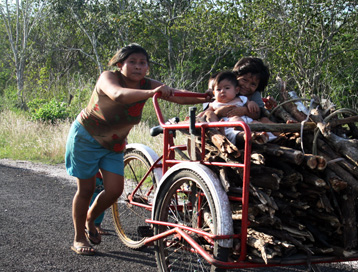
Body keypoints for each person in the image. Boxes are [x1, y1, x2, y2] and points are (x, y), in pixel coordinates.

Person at [65, 43, 209, 255]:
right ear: (121, 64)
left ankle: (90, 218)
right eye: (132, 62)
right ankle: (78, 237)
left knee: (114, 190)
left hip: (114, 143)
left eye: (142, 63)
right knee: (85, 190)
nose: (137, 66)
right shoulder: (108, 77)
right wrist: (152, 92)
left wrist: (206, 97)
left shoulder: (147, 84)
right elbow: (118, 95)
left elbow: (177, 95)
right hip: (87, 138)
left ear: (147, 68)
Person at [203, 71, 274, 144]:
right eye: (218, 89)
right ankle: (251, 135)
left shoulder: (241, 98)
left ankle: (269, 136)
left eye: (227, 88)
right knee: (236, 119)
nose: (222, 91)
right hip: (229, 125)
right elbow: (206, 114)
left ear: (236, 90)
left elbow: (253, 108)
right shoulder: (214, 104)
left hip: (247, 121)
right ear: (214, 93)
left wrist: (251, 103)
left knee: (257, 123)